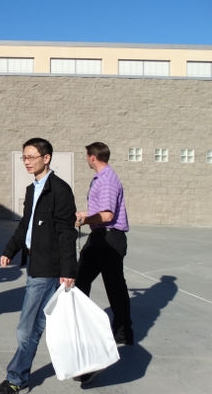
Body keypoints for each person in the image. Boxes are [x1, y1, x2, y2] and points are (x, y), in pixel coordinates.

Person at [0, 138, 77, 394]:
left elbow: (66, 233)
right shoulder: (33, 189)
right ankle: (82, 364)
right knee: (41, 324)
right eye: (24, 158)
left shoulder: (59, 190)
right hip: (33, 261)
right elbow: (25, 225)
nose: (27, 162)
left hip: (47, 266)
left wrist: (68, 270)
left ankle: (16, 378)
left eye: (31, 157)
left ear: (46, 158)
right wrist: (10, 250)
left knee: (27, 327)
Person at [75, 142, 133, 353]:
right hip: (99, 237)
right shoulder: (102, 178)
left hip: (109, 239)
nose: (86, 159)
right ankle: (82, 325)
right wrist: (85, 213)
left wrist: (84, 220)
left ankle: (123, 333)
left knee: (114, 286)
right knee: (79, 280)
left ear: (92, 157)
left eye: (86, 156)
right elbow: (101, 211)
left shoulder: (107, 180)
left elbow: (107, 215)